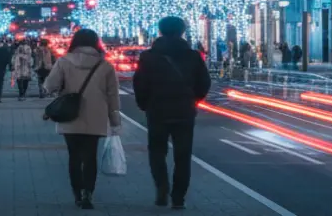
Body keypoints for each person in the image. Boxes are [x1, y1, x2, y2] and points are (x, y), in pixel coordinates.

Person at [133, 16, 211, 210]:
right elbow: (204, 82)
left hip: (157, 110)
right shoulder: (193, 56)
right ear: (182, 31)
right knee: (183, 156)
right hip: (184, 111)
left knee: (157, 152)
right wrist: (193, 99)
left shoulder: (148, 57)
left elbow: (140, 83)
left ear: (160, 31)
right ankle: (178, 198)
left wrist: (144, 104)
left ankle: (161, 188)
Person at [44, 29, 121, 210]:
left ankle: (77, 193)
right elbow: (113, 95)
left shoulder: (64, 62)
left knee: (74, 156)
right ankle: (88, 193)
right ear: (96, 43)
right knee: (90, 156)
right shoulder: (105, 65)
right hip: (96, 115)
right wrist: (115, 120)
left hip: (70, 114)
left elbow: (49, 86)